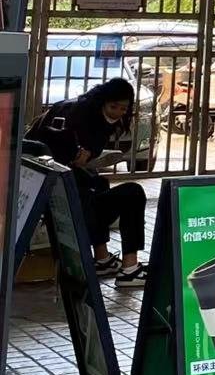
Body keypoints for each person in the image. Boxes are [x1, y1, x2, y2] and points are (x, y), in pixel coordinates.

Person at [26, 78, 148, 287]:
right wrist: (83, 155)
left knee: (98, 183)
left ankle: (102, 259)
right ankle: (130, 269)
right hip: (75, 214)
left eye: (123, 108)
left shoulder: (70, 109)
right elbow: (75, 155)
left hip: (58, 206)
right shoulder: (83, 123)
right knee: (133, 193)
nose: (118, 113)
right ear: (103, 102)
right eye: (114, 107)